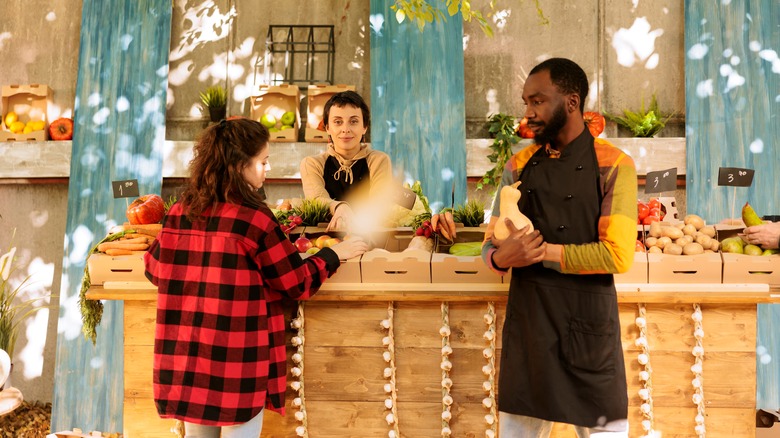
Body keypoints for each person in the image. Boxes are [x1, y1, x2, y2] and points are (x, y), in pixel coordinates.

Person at [144, 118, 368, 437]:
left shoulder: (181, 210)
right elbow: (295, 282)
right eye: (262, 161)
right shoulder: (255, 220)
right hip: (236, 363)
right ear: (238, 166)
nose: (266, 169)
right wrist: (334, 254)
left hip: (187, 361)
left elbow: (154, 269)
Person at [481, 58, 637, 437]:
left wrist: (539, 253)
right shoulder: (517, 165)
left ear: (571, 102)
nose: (528, 113)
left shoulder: (615, 165)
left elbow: (617, 255)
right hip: (531, 331)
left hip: (589, 330)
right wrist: (502, 257)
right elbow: (491, 244)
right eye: (525, 102)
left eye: (537, 102)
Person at [300, 90, 394, 231]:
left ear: (364, 127)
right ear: (327, 128)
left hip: (369, 236)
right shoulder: (312, 164)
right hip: (323, 240)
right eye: (338, 122)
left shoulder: (379, 160)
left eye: (354, 121)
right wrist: (339, 207)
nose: (345, 129)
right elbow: (316, 198)